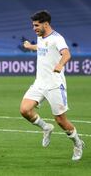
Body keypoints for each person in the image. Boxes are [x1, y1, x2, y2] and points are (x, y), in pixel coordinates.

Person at [20, 10, 84, 161]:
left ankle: (77, 143)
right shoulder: (41, 37)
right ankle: (46, 127)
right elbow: (43, 47)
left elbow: (67, 54)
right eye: (33, 25)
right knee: (24, 110)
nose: (34, 28)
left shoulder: (57, 38)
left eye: (36, 25)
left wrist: (60, 65)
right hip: (39, 83)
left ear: (46, 24)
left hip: (55, 85)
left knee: (61, 120)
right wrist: (30, 47)